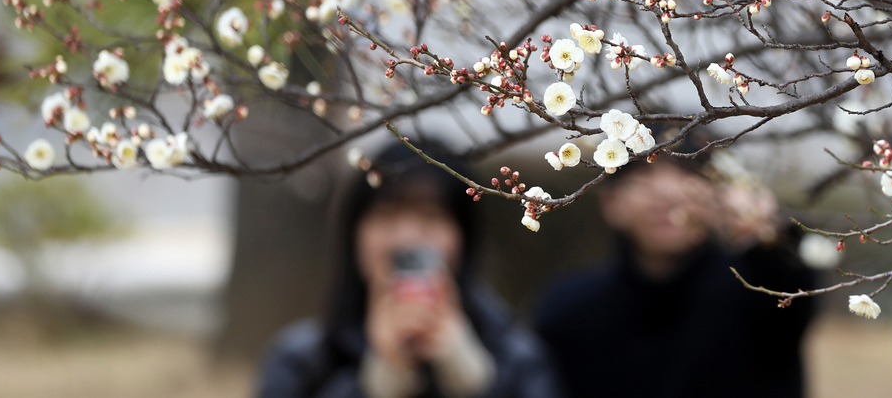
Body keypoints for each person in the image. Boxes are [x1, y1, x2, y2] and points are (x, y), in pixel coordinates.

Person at [257, 140, 561, 398]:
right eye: (387, 215)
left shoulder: (518, 355)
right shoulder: (302, 358)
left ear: (464, 237)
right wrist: (379, 382)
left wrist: (475, 381)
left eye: (430, 216)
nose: (407, 238)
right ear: (354, 231)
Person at [534, 151, 815, 398]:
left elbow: (791, 284)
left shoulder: (756, 292)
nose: (667, 193)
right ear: (611, 201)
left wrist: (768, 238)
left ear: (719, 195)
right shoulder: (569, 310)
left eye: (687, 171)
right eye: (643, 171)